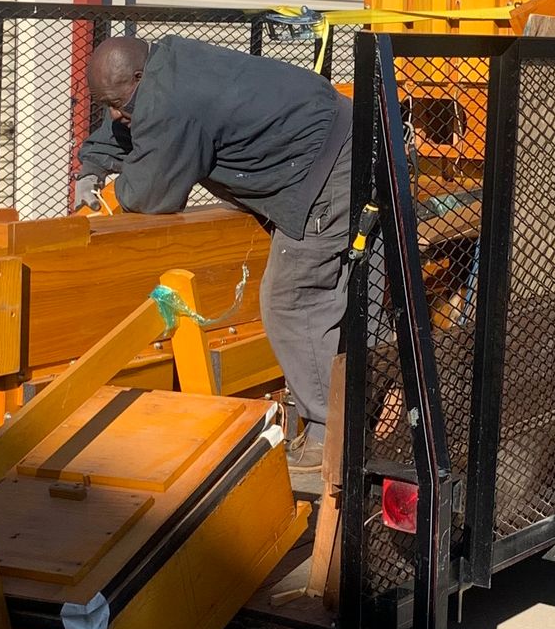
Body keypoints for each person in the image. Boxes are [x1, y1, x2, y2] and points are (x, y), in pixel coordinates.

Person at [77, 35, 352, 466]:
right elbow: (138, 124)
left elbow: (152, 194)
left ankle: (328, 436)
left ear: (137, 76)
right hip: (322, 145)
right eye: (106, 105)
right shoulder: (163, 69)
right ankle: (327, 417)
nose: (115, 114)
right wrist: (92, 165)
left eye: (119, 102)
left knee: (291, 300)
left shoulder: (173, 99)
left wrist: (113, 192)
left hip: (329, 167)